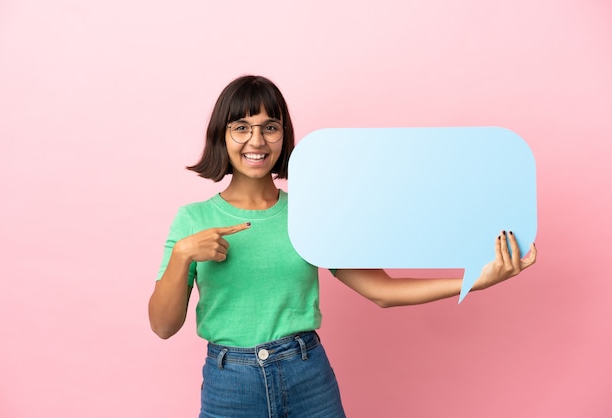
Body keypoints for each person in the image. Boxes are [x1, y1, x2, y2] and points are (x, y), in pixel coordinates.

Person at [148, 75, 537, 418]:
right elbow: (164, 326)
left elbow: (382, 292)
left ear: (284, 137)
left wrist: (476, 280)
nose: (257, 140)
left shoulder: (315, 212)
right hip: (228, 384)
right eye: (241, 127)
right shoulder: (193, 220)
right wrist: (182, 256)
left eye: (270, 127)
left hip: (307, 378)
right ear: (222, 134)